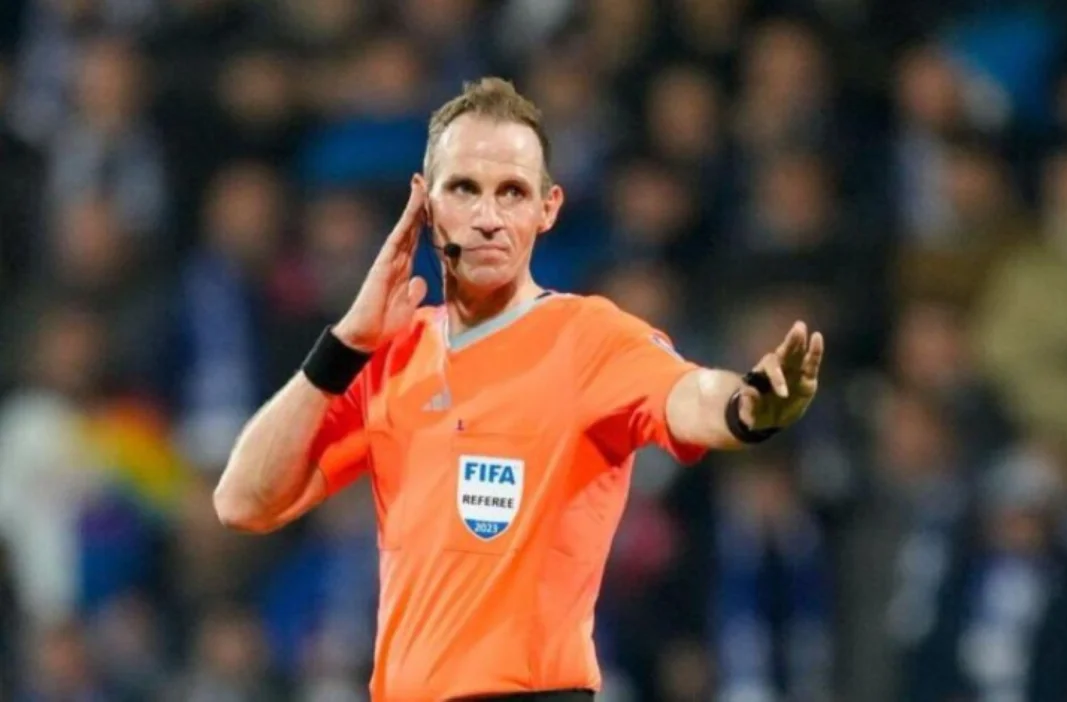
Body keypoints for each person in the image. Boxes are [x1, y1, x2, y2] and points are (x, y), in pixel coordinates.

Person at [212, 77, 825, 701]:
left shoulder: (587, 338)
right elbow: (242, 500)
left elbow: (690, 397)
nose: (487, 218)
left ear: (547, 208)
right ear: (425, 203)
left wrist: (748, 407)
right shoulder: (389, 356)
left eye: (512, 192)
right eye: (464, 189)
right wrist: (345, 342)